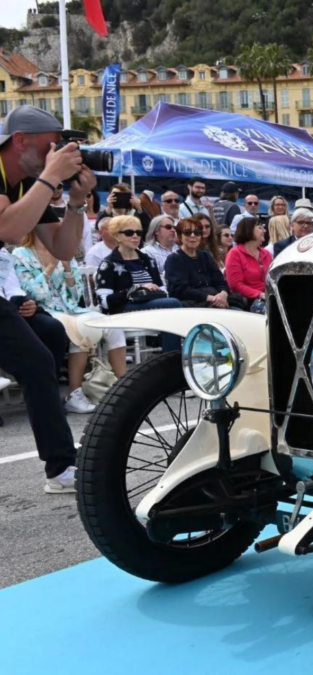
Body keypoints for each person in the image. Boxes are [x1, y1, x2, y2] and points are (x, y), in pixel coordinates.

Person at [0, 104, 97, 493]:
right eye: (50, 147)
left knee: (47, 344)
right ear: (19, 141)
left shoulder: (25, 183)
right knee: (37, 358)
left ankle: (60, 467)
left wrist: (75, 202)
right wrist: (51, 176)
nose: (55, 155)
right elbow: (9, 228)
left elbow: (63, 247)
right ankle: (60, 467)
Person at [13, 230, 128, 413]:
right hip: (45, 310)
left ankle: (124, 386)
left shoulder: (64, 253)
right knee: (80, 328)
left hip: (72, 309)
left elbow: (76, 295)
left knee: (111, 325)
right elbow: (33, 293)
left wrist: (67, 268)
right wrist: (51, 267)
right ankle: (74, 393)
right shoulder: (20, 255)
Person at [94, 215, 182, 347]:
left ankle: (170, 357)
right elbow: (105, 302)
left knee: (172, 308)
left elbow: (163, 289)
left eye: (138, 232)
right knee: (173, 304)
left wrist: (154, 290)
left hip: (150, 306)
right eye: (129, 233)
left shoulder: (147, 260)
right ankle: (172, 356)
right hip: (123, 310)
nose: (135, 236)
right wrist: (137, 288)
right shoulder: (109, 264)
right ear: (117, 236)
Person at [166, 218, 244, 310]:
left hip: (218, 301)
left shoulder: (205, 256)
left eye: (197, 233)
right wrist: (211, 298)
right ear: (179, 236)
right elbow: (179, 290)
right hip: (194, 306)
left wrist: (223, 294)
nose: (193, 235)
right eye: (187, 232)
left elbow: (220, 281)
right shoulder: (174, 259)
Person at [225, 216, 272, 311]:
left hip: (269, 296)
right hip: (250, 300)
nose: (264, 231)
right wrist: (259, 294)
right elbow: (236, 285)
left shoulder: (266, 254)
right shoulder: (235, 253)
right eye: (260, 227)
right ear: (248, 230)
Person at [141, 214, 179, 281]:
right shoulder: (147, 252)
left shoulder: (180, 248)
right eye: (168, 227)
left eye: (174, 227)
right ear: (156, 231)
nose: (173, 230)